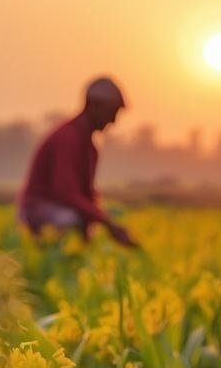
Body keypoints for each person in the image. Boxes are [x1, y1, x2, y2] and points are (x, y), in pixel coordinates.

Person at [17, 76, 139, 248]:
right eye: (112, 112)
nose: (113, 121)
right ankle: (59, 260)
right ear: (94, 106)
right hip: (38, 210)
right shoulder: (67, 139)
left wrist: (107, 220)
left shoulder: (90, 148)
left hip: (60, 208)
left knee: (111, 213)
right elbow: (66, 194)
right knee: (72, 220)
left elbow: (86, 195)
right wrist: (107, 223)